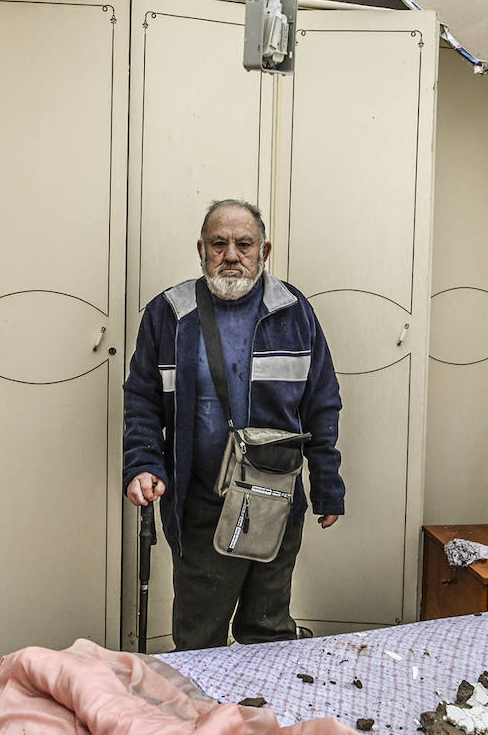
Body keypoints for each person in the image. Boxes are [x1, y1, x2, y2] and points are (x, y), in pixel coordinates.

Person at [122, 198, 344, 650]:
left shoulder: (294, 311)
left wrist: (327, 484)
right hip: (201, 504)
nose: (231, 255)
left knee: (267, 630)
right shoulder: (169, 313)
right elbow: (143, 400)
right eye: (218, 243)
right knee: (199, 636)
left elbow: (321, 402)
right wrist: (142, 464)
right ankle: (202, 719)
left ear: (264, 253)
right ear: (201, 249)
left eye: (244, 244)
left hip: (277, 500)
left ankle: (257, 716)